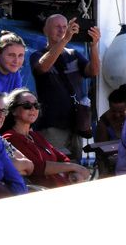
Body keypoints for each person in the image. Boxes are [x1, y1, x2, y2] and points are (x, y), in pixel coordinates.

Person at [30, 13, 101, 160]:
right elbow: (42, 67)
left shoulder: (74, 54)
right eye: (57, 27)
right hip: (52, 125)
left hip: (75, 124)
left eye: (64, 27)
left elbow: (93, 71)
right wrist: (65, 40)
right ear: (45, 31)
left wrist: (94, 45)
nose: (62, 30)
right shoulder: (37, 55)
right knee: (53, 164)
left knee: (74, 166)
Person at [1, 88, 90, 189]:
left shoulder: (35, 136)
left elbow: (61, 157)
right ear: (13, 110)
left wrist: (73, 172)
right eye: (27, 105)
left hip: (60, 186)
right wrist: (73, 167)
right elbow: (36, 167)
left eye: (36, 105)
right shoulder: (10, 137)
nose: (33, 109)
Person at [0, 91, 34, 177]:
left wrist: (6, 168)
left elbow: (30, 166)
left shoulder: (1, 140)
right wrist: (14, 167)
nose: (0, 115)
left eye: (3, 111)